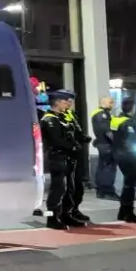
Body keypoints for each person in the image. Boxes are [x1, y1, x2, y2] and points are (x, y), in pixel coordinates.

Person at [40, 90, 86, 229]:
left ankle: (66, 215)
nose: (67, 103)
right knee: (57, 189)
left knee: (69, 188)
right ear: (57, 102)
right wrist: (73, 147)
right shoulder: (49, 119)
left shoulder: (61, 117)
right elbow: (57, 140)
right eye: (65, 101)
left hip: (66, 157)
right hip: (57, 157)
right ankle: (52, 218)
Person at [109, 98, 136, 223]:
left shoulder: (116, 120)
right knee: (130, 185)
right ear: (133, 108)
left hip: (118, 153)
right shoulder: (129, 123)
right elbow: (131, 141)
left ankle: (123, 212)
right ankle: (128, 213)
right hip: (128, 155)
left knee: (128, 183)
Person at [60, 92, 93, 221]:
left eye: (71, 101)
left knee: (78, 183)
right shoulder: (57, 116)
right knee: (68, 185)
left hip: (77, 152)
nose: (70, 103)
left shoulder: (71, 114)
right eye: (67, 101)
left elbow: (77, 131)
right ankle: (65, 212)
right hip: (66, 154)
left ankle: (74, 209)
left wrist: (83, 137)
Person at [92, 97, 118, 199]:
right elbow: (107, 131)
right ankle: (107, 191)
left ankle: (101, 191)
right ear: (103, 103)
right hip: (106, 144)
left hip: (103, 144)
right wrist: (117, 142)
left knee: (103, 166)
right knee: (108, 167)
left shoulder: (102, 113)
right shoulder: (102, 114)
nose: (112, 104)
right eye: (110, 102)